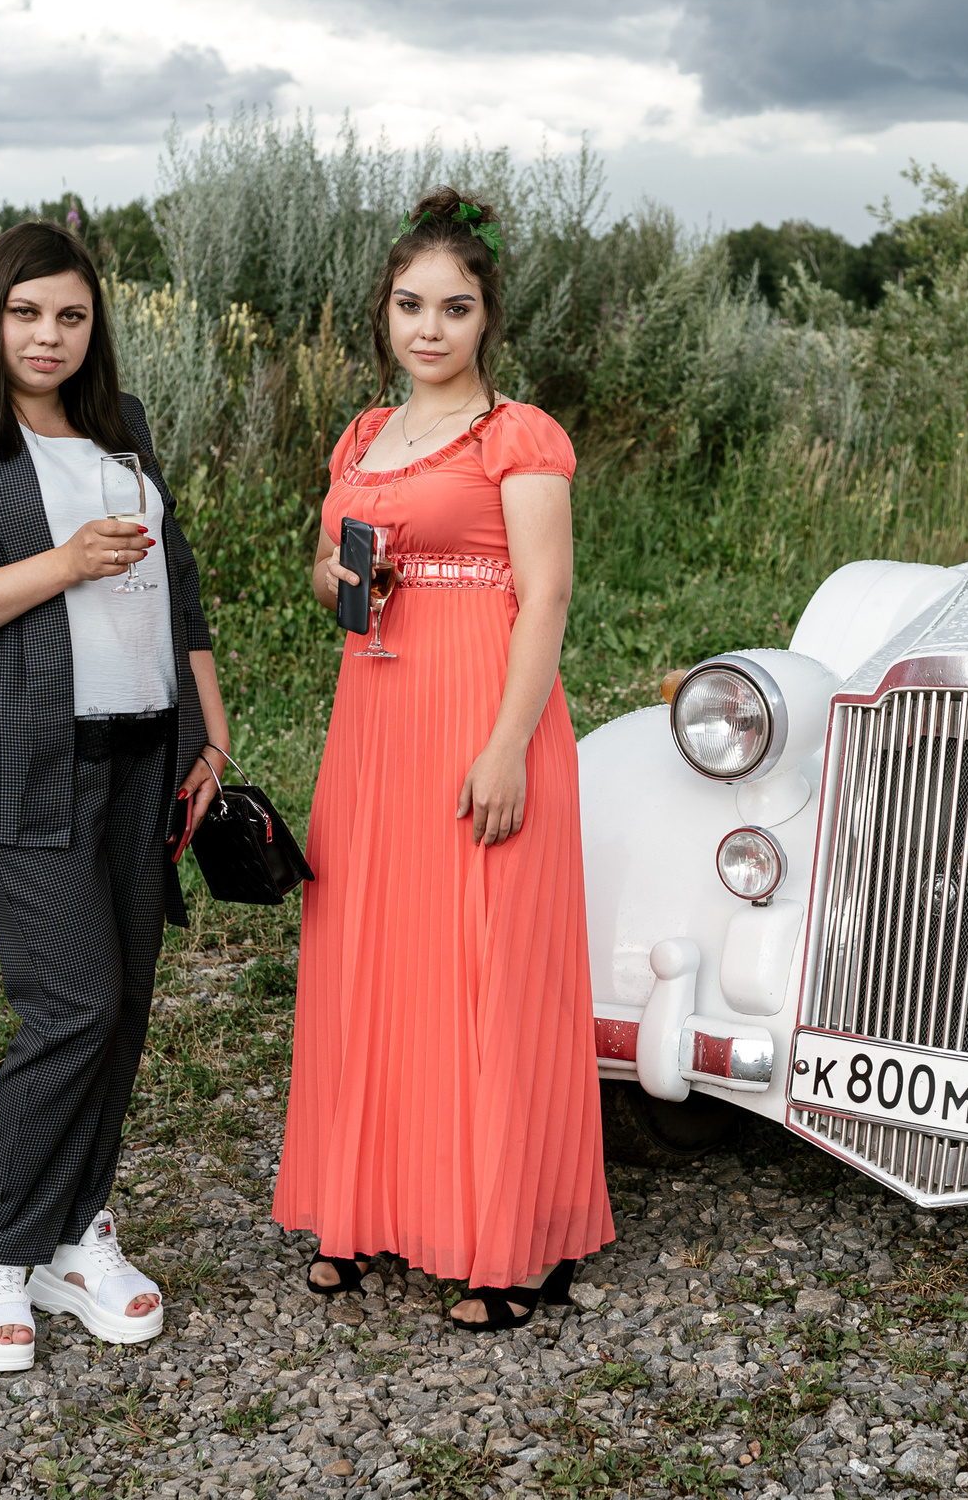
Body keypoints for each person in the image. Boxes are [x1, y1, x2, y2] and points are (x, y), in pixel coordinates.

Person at [0, 221, 232, 1372]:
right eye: (27, 313)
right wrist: (64, 563)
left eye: (71, 316)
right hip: (19, 758)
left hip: (144, 754)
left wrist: (207, 722)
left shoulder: (119, 427)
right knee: (72, 1002)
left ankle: (77, 1235)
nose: (49, 336)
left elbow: (178, 585)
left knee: (122, 1010)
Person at [272, 188, 613, 1332]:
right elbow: (325, 569)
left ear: (486, 318)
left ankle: (517, 1242)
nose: (429, 328)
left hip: (483, 712)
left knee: (483, 968)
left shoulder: (518, 435)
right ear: (384, 313)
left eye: (454, 308)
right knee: (372, 955)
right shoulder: (364, 437)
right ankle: (367, 1211)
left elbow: (547, 592)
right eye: (410, 305)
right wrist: (338, 581)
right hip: (373, 715)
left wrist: (509, 744)